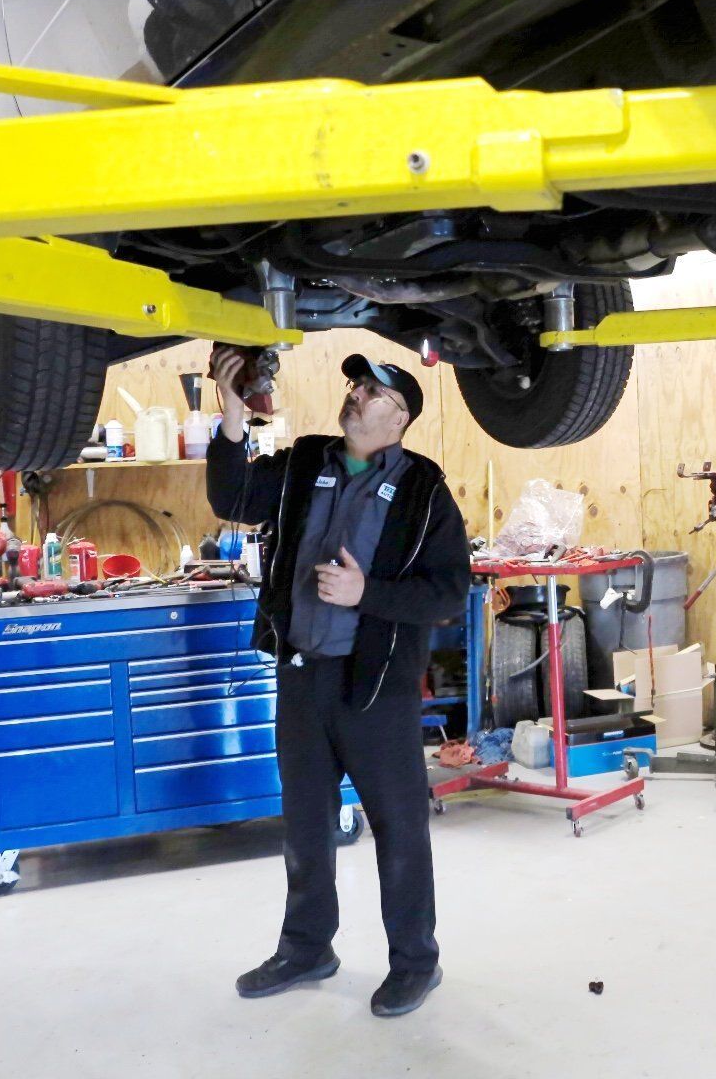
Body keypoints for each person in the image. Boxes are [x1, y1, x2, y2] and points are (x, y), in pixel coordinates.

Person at [207, 346, 470, 1017]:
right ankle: (306, 949)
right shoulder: (304, 463)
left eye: (373, 391)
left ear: (400, 416)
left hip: (374, 686)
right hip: (301, 676)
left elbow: (447, 592)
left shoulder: (423, 489)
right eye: (355, 384)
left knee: (398, 829)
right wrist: (232, 411)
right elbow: (231, 497)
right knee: (305, 825)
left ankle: (415, 962)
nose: (356, 394)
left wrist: (366, 593)